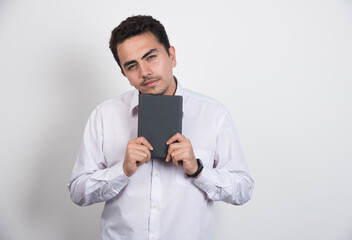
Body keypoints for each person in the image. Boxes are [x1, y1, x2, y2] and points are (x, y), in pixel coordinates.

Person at [67, 15, 254, 240]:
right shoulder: (104, 116)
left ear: (171, 56)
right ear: (124, 74)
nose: (145, 72)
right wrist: (122, 171)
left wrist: (199, 170)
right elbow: (77, 191)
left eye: (151, 57)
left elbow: (243, 189)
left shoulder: (214, 114)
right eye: (131, 65)